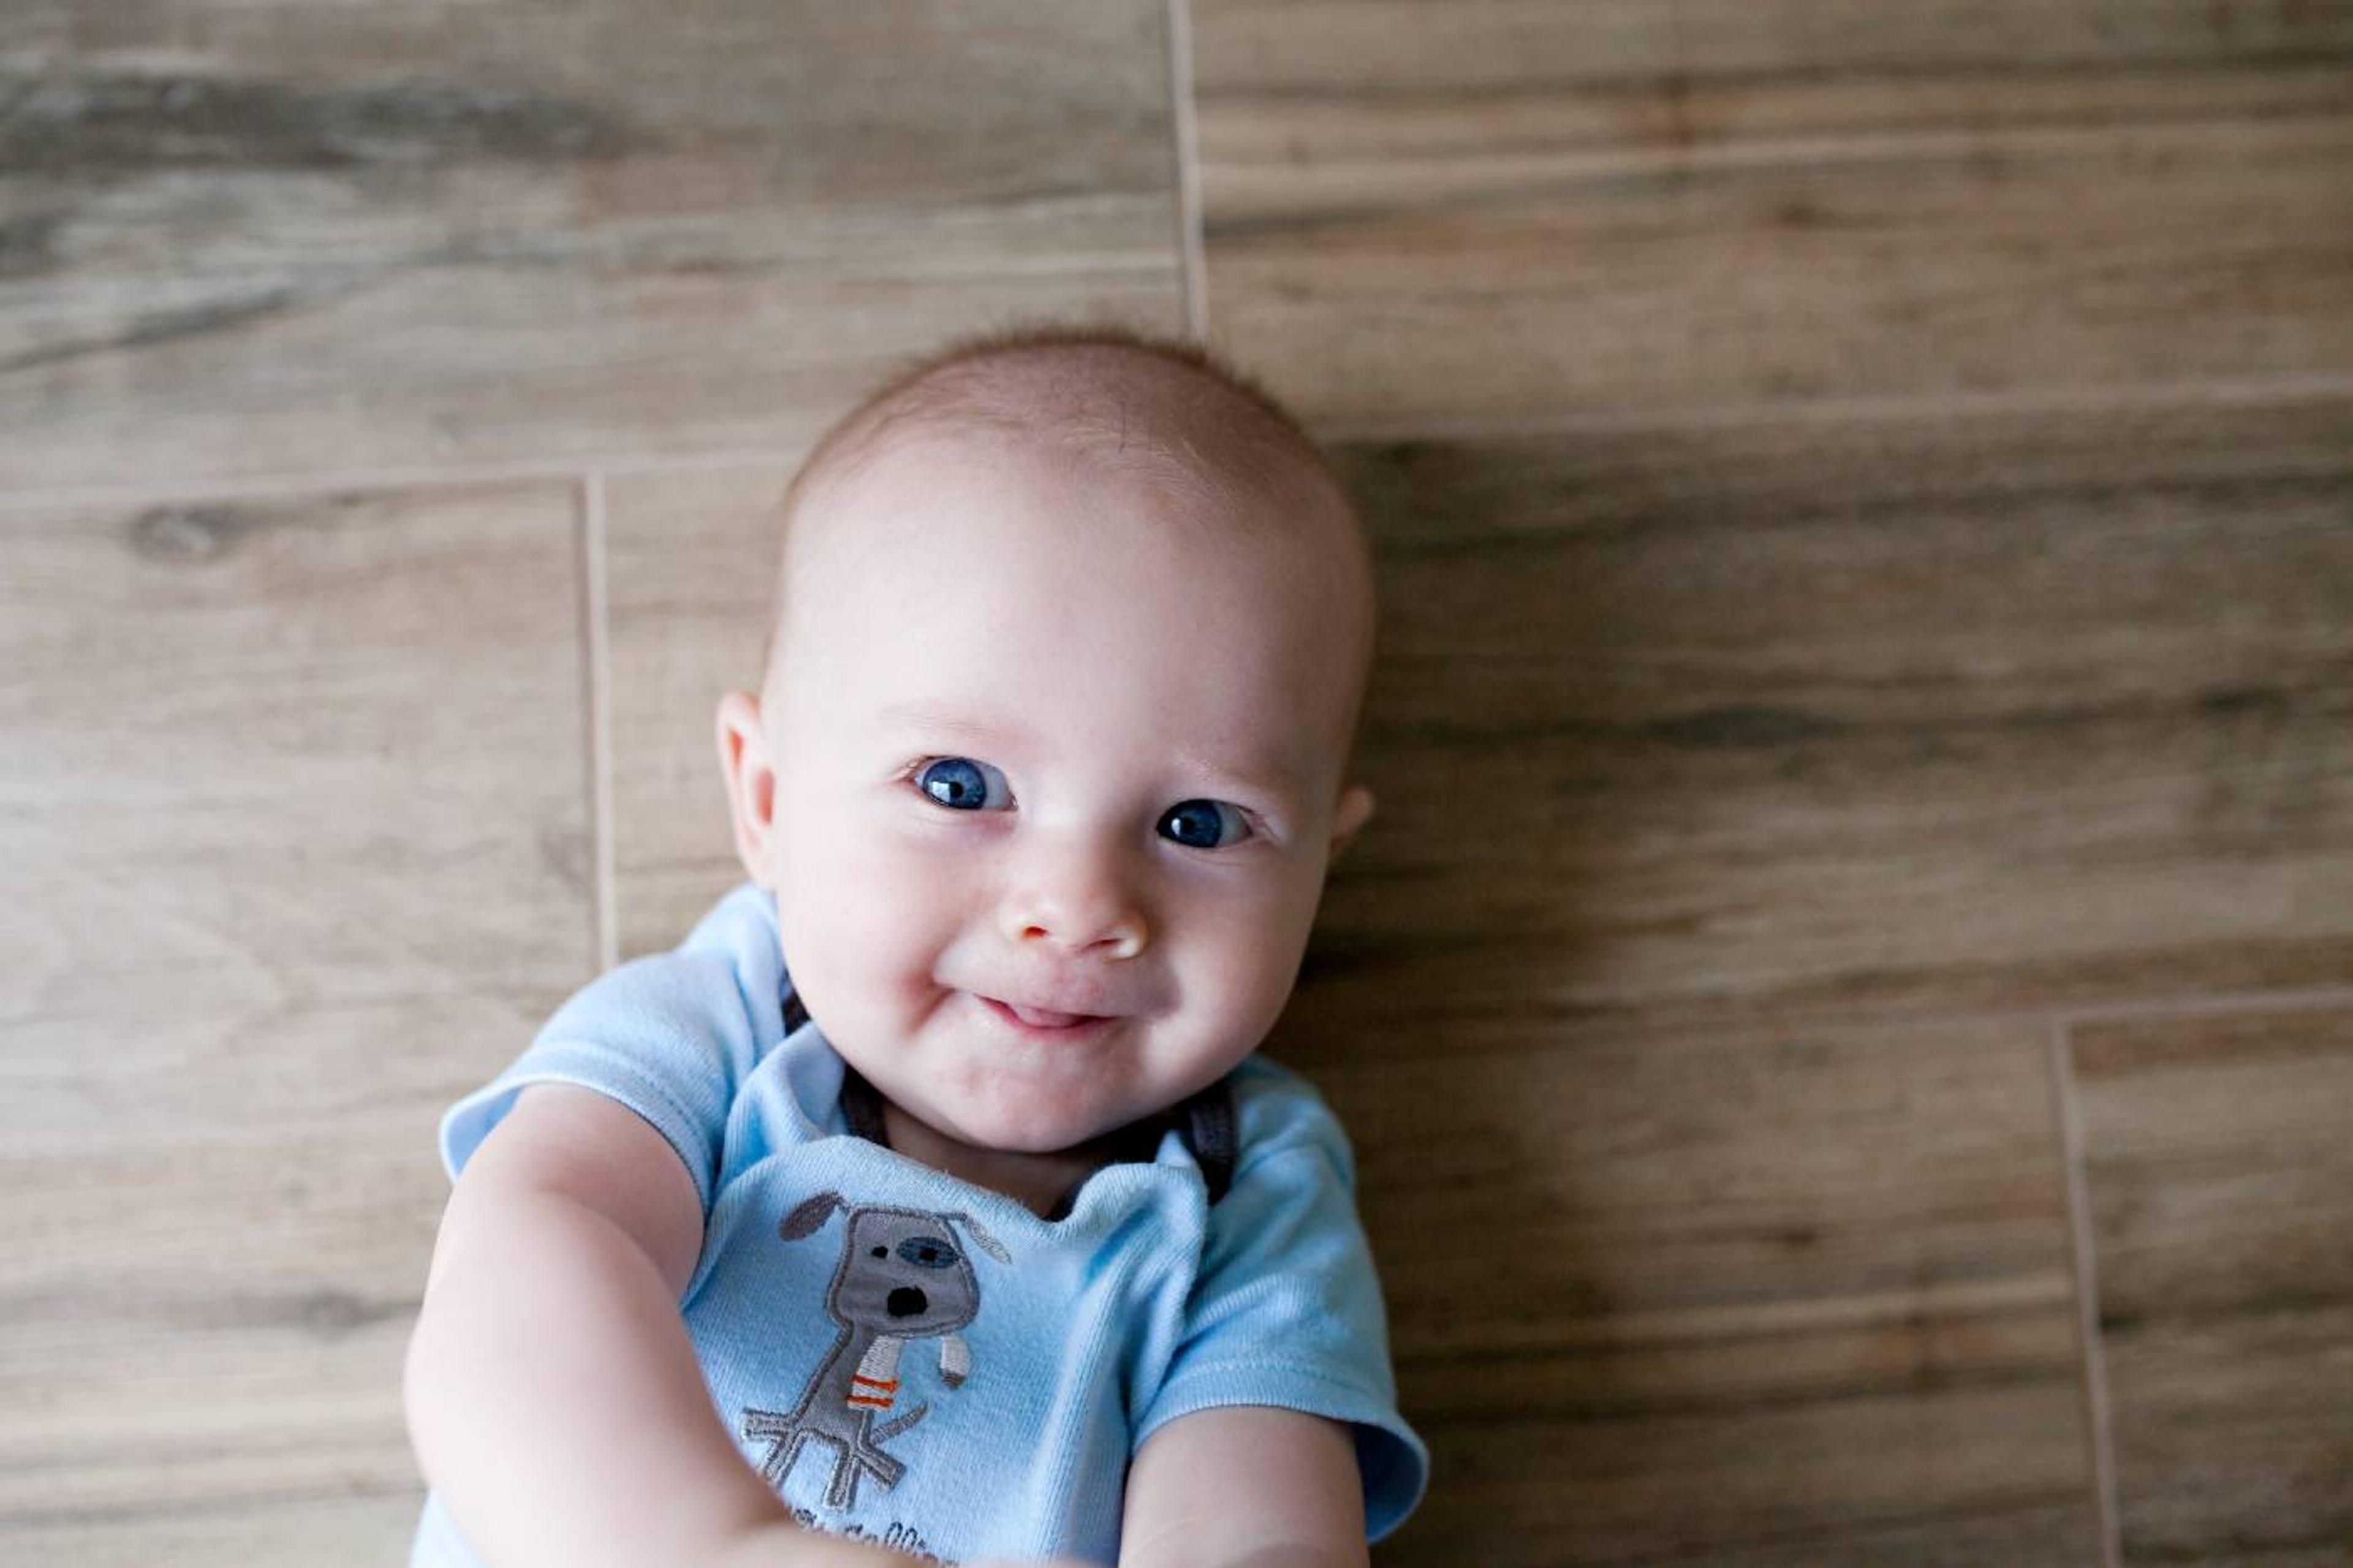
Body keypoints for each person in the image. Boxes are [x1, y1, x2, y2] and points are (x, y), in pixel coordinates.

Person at [403, 322, 1428, 1568]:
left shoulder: (1250, 1192)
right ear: (769, 800)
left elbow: (1260, 1518)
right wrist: (709, 1545)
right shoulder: (715, 1027)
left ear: (1321, 860)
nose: (1075, 904)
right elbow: (521, 1271)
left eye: (1197, 821)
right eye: (957, 783)